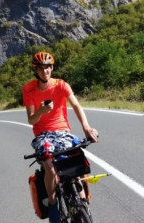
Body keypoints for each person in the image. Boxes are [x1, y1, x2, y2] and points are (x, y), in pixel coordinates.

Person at [23, 51, 98, 223]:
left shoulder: (61, 85)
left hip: (62, 131)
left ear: (52, 67)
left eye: (47, 67)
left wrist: (86, 128)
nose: (45, 71)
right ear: (35, 70)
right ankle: (53, 204)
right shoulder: (29, 89)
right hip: (43, 135)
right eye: (41, 68)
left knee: (75, 159)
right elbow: (31, 119)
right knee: (49, 165)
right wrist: (41, 111)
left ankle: (82, 204)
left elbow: (76, 105)